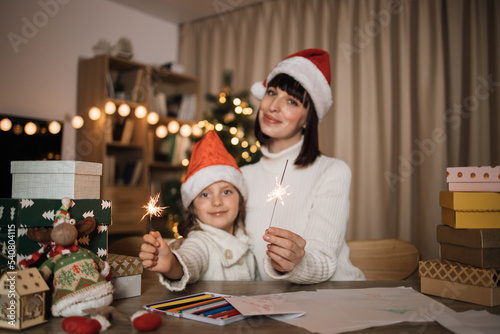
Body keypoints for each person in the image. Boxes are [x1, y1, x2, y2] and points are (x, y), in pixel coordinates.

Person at [243, 48, 365, 283]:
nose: (273, 106)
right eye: (271, 92)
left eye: (291, 101)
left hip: (334, 301)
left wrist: (295, 262)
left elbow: (325, 262)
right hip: (271, 305)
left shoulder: (332, 172)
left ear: (308, 119)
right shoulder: (242, 176)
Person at [139, 130, 257, 291]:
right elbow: (190, 258)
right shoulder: (200, 240)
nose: (217, 202)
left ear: (240, 200)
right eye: (205, 194)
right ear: (192, 207)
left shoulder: (246, 236)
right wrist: (172, 264)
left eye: (226, 192)